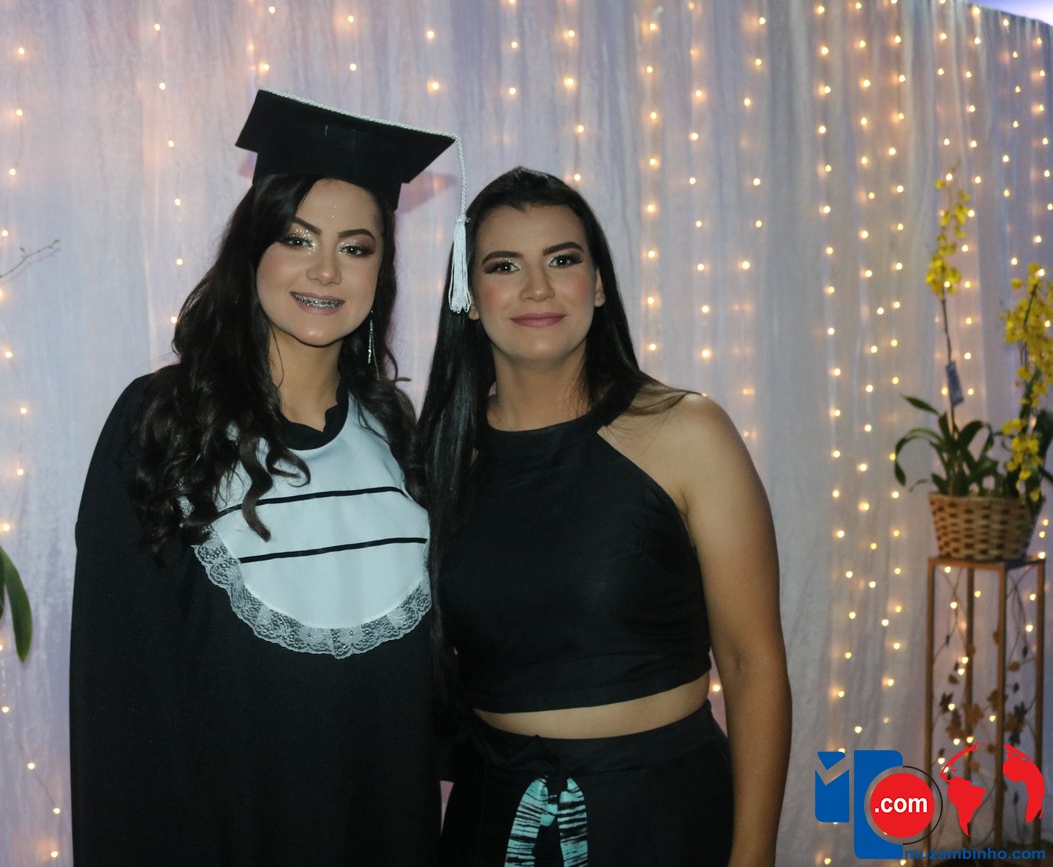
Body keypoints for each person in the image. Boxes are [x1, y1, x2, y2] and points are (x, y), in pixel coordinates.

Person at [69, 90, 456, 865]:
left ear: (382, 270)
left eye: (356, 248)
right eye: (296, 238)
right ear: (253, 251)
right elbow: (122, 696)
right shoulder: (162, 425)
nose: (325, 270)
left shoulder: (399, 436)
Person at [417, 167, 791, 866]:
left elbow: (752, 664)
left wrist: (753, 857)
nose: (537, 287)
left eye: (562, 260)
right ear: (469, 296)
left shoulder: (688, 432)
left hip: (664, 820)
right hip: (491, 823)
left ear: (596, 284)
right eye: (504, 266)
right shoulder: (439, 458)